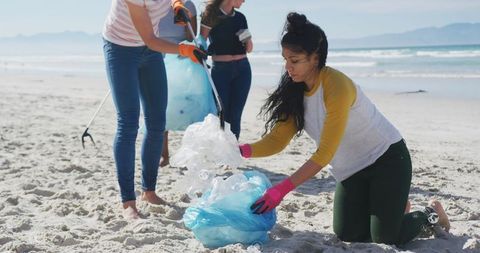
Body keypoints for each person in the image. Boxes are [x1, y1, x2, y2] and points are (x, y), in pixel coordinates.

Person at [240, 12, 450, 245]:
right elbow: (277, 140)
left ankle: (430, 214)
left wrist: (281, 190)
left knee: (386, 237)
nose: (288, 67)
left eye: (295, 60)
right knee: (349, 234)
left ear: (315, 58)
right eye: (285, 59)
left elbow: (325, 154)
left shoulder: (336, 85)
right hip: (350, 171)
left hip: (386, 160)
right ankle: (394, 212)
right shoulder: (295, 91)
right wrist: (242, 150)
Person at [102, 0, 206, 219]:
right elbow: (150, 39)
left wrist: (177, 4)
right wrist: (184, 49)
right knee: (129, 123)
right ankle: (128, 203)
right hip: (121, 49)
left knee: (157, 122)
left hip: (150, 53)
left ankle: (149, 191)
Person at [157, 0, 216, 167]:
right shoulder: (155, 3)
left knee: (181, 104)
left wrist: (187, 19)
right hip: (157, 55)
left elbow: (191, 37)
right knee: (162, 104)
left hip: (179, 58)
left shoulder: (188, 5)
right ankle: (164, 154)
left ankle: (188, 153)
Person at [200, 0, 253, 139]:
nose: (244, 1)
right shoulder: (210, 15)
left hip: (243, 70)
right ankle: (222, 155)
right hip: (220, 72)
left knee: (235, 116)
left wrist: (246, 38)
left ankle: (231, 157)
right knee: (222, 115)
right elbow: (201, 43)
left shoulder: (241, 18)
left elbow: (249, 48)